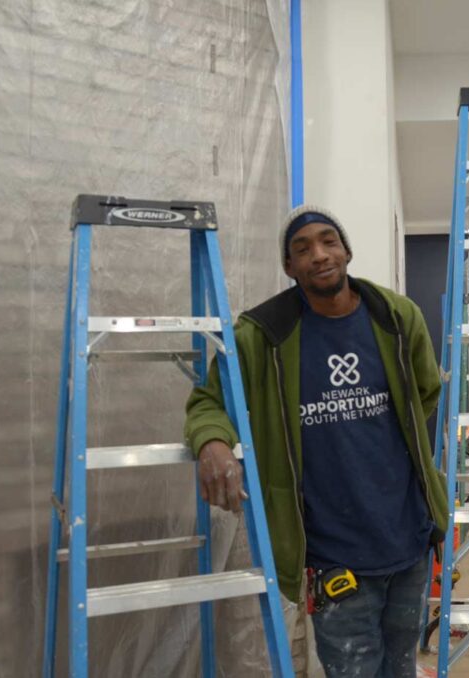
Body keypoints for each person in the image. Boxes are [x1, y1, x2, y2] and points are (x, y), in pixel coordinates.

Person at [184, 204, 448, 676]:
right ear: (289, 267)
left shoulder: (395, 316)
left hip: (408, 533)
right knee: (352, 667)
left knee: (403, 663)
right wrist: (213, 444)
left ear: (346, 250)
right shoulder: (261, 336)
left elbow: (425, 391)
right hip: (331, 549)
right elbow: (207, 402)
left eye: (329, 241)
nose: (319, 255)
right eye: (302, 249)